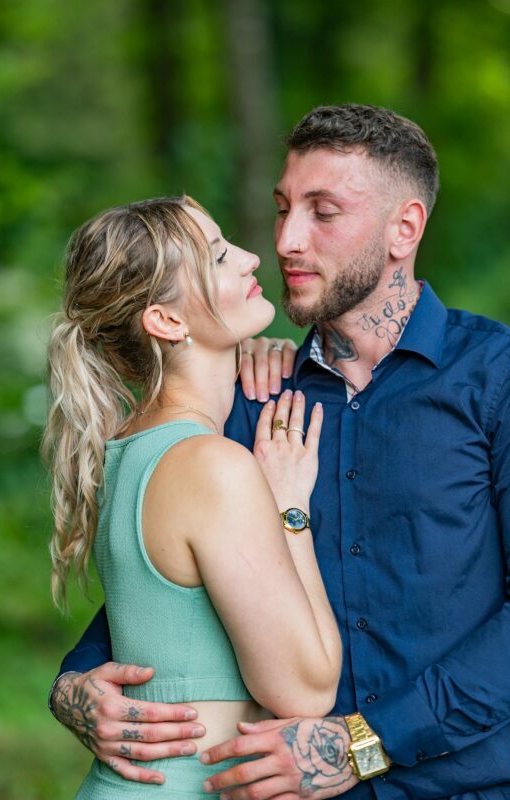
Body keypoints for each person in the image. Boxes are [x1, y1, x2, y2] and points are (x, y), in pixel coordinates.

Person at [50, 106, 510, 800]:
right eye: (282, 207)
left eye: (324, 213)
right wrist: (77, 684)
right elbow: (180, 584)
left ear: (404, 229)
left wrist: (363, 743)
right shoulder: (249, 397)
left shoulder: (495, 378)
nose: (286, 240)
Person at [43, 195, 343, 799]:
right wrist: (291, 509)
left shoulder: (129, 446)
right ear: (167, 321)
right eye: (219, 256)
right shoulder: (212, 466)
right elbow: (306, 690)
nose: (255, 257)